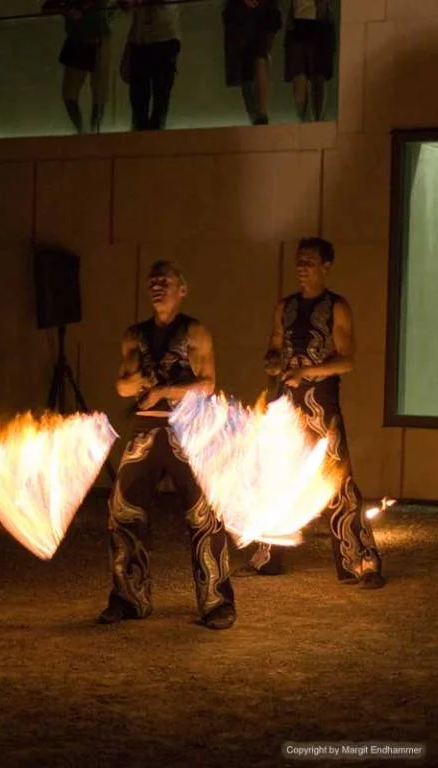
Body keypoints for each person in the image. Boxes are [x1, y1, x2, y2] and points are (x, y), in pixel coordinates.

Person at [233, 238, 386, 589]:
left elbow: (347, 360)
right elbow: (274, 346)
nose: (302, 267)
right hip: (287, 403)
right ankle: (268, 557)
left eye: (310, 261)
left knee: (338, 481)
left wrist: (307, 373)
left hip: (321, 404)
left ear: (326, 266)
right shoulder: (284, 307)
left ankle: (360, 559)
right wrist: (273, 363)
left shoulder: (337, 307)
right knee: (276, 477)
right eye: (299, 261)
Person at [98, 260, 236, 629]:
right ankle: (129, 598)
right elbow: (122, 385)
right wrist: (138, 382)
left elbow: (207, 384)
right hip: (145, 432)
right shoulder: (134, 334)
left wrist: (163, 390)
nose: (158, 286)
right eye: (153, 281)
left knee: (204, 516)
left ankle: (216, 602)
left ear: (182, 289)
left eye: (166, 281)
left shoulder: (195, 332)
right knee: (122, 512)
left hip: (187, 433)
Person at [42, 0, 111, 134]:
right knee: (72, 94)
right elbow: (47, 8)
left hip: (95, 40)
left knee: (98, 94)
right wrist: (67, 10)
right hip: (80, 40)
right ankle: (84, 130)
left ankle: (89, 131)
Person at [120, 0, 180, 132]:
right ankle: (143, 138)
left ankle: (151, 138)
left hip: (162, 38)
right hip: (141, 40)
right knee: (140, 99)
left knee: (159, 96)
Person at [222, 0, 282, 126]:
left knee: (249, 64)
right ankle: (260, 115)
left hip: (241, 13)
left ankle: (258, 116)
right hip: (263, 10)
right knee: (258, 57)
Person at [284, 0, 335, 121]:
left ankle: (310, 121)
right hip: (305, 19)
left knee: (313, 75)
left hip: (316, 18)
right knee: (303, 75)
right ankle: (309, 121)